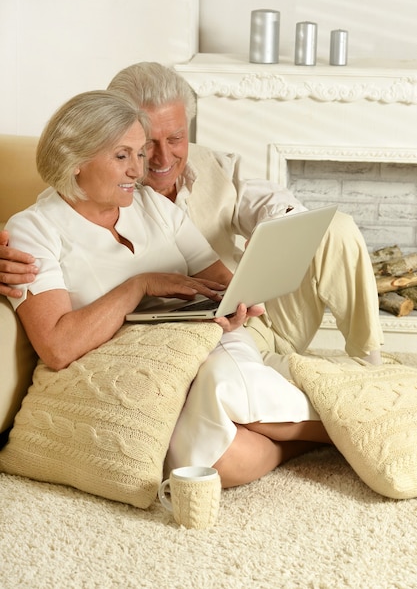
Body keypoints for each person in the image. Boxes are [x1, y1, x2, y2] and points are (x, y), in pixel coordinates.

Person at [4, 89, 332, 488]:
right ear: (75, 160)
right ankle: (339, 430)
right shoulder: (33, 230)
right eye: (122, 156)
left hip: (204, 344)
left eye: (138, 155)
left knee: (224, 382)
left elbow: (220, 283)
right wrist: (140, 285)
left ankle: (349, 424)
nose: (137, 171)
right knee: (213, 464)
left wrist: (236, 302)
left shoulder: (154, 207)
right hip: (141, 371)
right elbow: (57, 347)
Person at [0, 62, 383, 365]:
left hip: (248, 315)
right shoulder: (72, 205)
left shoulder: (213, 166)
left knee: (336, 226)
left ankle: (368, 360)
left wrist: (272, 241)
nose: (161, 158)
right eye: (144, 144)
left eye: (176, 138)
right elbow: (48, 231)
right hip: (192, 337)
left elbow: (269, 205)